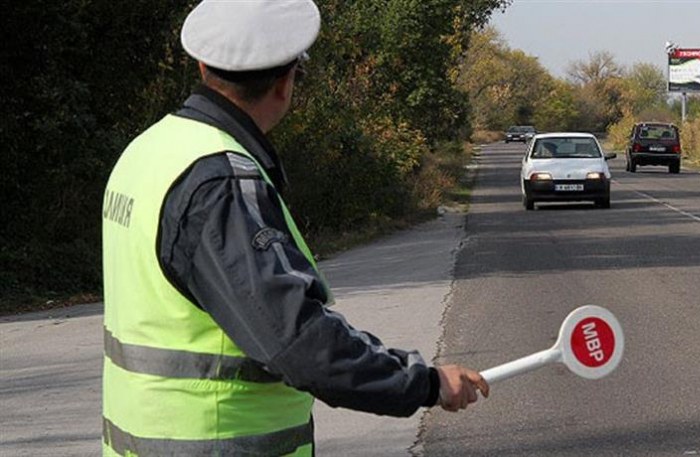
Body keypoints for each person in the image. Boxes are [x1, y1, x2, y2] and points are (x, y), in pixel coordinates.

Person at [101, 1, 488, 456]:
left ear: (203, 65)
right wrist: (423, 383)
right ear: (286, 84)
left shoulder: (148, 150)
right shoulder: (220, 182)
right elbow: (297, 342)